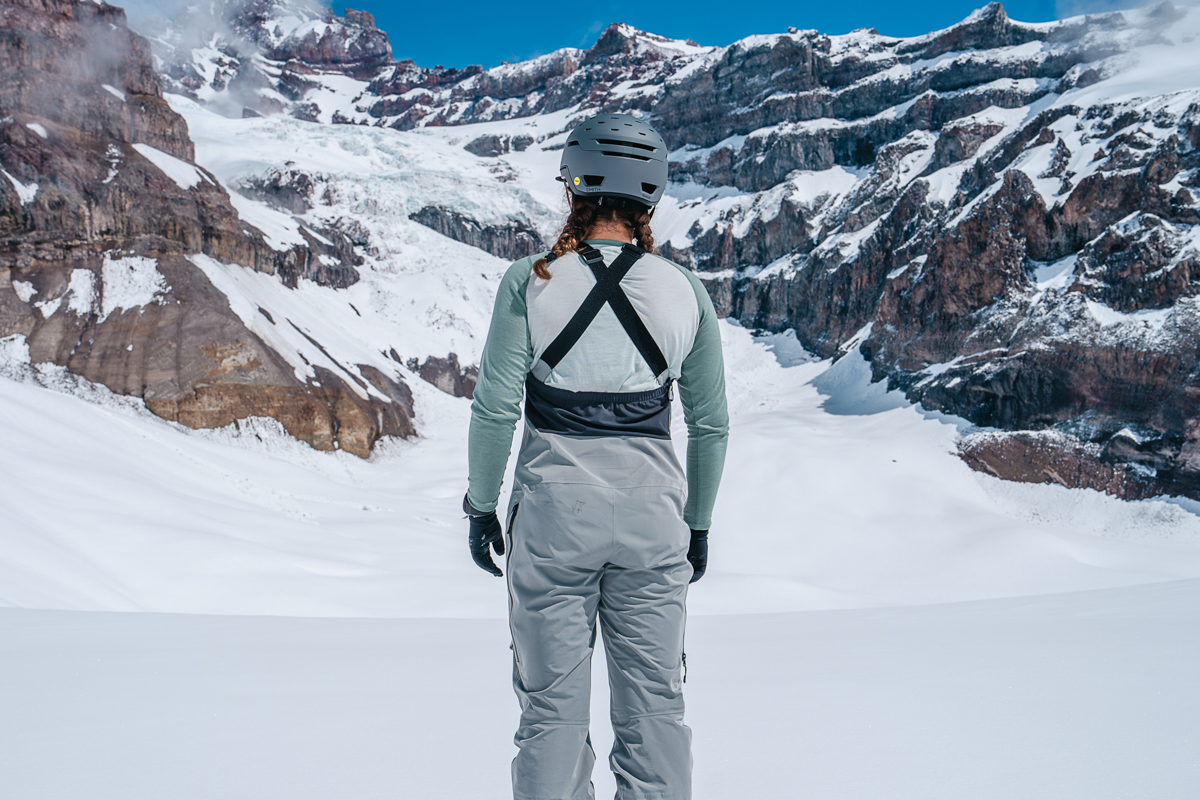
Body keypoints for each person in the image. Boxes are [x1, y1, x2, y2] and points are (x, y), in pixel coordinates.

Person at [463, 112, 729, 800]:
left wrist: (481, 506)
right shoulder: (687, 292)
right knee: (656, 712)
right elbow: (710, 424)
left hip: (554, 523)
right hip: (654, 524)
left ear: (573, 188)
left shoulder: (531, 280)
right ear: (651, 195)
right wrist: (697, 524)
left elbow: (495, 407)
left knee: (550, 714)